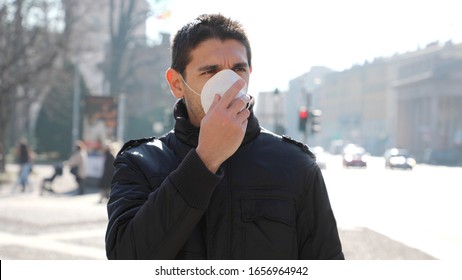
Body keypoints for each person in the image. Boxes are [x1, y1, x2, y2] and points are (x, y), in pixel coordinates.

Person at [106, 14, 344, 260]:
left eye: (238, 69)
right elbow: (125, 257)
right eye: (211, 71)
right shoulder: (140, 162)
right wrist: (204, 159)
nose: (230, 83)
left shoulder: (295, 164)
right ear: (177, 83)